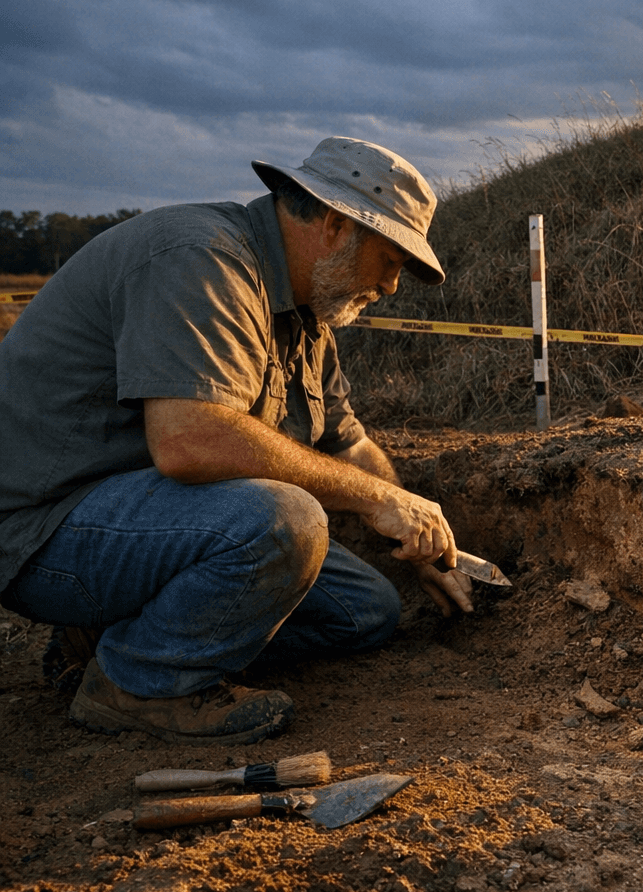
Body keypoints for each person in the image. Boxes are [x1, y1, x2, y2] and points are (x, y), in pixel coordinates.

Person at [0, 137, 476, 746]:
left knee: (365, 612)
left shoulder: (307, 317)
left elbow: (345, 444)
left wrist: (419, 528)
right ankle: (137, 683)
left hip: (146, 523)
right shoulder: (201, 259)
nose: (390, 287)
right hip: (43, 534)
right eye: (389, 260)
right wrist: (374, 501)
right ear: (334, 226)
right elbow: (190, 441)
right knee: (286, 520)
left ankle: (111, 635)